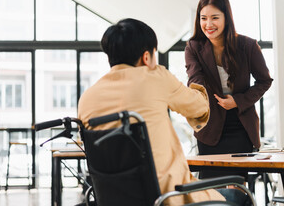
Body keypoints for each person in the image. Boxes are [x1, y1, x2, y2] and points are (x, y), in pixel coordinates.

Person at [78, 18, 225, 205]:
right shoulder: (154, 76)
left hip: (115, 200)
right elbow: (199, 107)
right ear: (146, 57)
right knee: (240, 196)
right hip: (169, 197)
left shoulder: (87, 98)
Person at [185, 0, 273, 180]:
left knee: (236, 186)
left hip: (240, 127)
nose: (208, 24)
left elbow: (264, 81)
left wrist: (238, 101)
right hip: (210, 127)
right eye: (203, 18)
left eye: (215, 18)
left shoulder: (248, 46)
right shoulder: (193, 47)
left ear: (226, 18)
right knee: (210, 187)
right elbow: (195, 79)